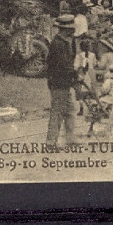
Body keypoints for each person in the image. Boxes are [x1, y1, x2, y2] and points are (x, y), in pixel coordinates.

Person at [45, 14, 79, 149]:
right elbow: (63, 65)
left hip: (66, 81)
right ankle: (50, 142)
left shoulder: (68, 41)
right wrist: (76, 76)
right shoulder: (58, 43)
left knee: (70, 110)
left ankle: (70, 139)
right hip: (59, 82)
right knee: (58, 112)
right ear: (65, 29)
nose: (73, 30)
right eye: (71, 28)